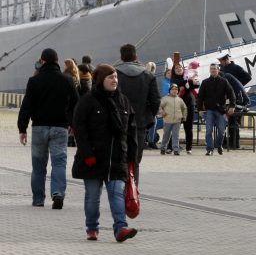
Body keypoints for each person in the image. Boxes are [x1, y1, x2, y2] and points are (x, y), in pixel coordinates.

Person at [71, 64, 139, 243]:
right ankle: (92, 228)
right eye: (111, 77)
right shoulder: (88, 101)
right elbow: (79, 128)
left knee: (116, 194)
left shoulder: (123, 101)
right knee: (93, 197)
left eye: (116, 77)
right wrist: (87, 154)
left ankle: (120, 228)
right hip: (93, 159)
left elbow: (131, 131)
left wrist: (132, 157)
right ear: (101, 80)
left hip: (117, 159)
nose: (115, 80)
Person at [17, 48, 79, 209]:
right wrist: (74, 124)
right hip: (60, 128)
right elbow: (76, 105)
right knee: (59, 163)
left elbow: (26, 106)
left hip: (39, 127)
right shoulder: (67, 80)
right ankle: (57, 193)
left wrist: (22, 129)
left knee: (38, 166)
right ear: (57, 61)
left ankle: (38, 199)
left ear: (42, 61)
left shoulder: (34, 81)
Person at [114, 43, 160, 182]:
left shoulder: (114, 74)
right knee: (135, 162)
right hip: (140, 123)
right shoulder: (148, 75)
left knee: (118, 160)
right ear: (136, 56)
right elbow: (156, 101)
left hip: (118, 123)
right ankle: (132, 195)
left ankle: (119, 194)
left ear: (121, 57)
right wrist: (148, 118)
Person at [196, 62, 236, 156]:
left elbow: (231, 93)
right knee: (209, 130)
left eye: (215, 68)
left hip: (221, 110)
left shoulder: (224, 81)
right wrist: (200, 109)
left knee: (222, 131)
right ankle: (209, 149)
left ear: (218, 70)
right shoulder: (205, 82)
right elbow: (200, 97)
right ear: (210, 70)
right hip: (209, 110)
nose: (213, 70)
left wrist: (232, 106)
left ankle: (218, 145)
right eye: (211, 69)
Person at [170, 62, 199, 154]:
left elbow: (196, 85)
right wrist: (189, 80)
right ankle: (171, 147)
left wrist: (191, 80)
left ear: (183, 69)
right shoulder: (173, 79)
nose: (179, 69)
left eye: (180, 67)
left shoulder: (187, 77)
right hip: (177, 105)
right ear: (174, 71)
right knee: (175, 127)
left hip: (189, 104)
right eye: (176, 68)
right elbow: (178, 83)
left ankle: (189, 148)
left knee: (188, 127)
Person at [157, 83, 187, 155]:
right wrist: (162, 112)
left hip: (177, 120)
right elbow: (159, 106)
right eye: (172, 89)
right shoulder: (165, 99)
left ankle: (176, 149)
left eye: (176, 89)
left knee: (175, 135)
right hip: (167, 120)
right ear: (170, 90)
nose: (174, 91)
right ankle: (163, 148)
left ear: (178, 91)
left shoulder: (180, 100)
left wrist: (184, 116)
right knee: (166, 135)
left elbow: (184, 108)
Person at [221, 71, 248, 149]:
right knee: (233, 123)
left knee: (233, 122)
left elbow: (229, 93)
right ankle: (233, 143)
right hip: (240, 101)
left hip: (240, 103)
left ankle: (233, 143)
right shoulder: (228, 76)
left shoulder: (226, 78)